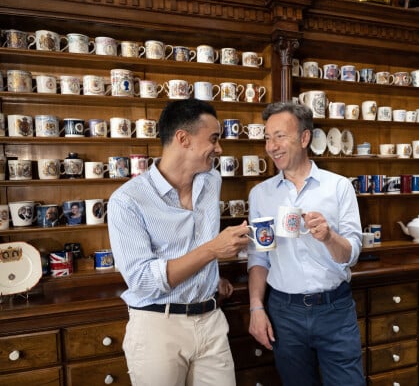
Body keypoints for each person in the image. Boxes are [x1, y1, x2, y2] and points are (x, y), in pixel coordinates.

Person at [108, 99, 250, 386]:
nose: (219, 148)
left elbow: (189, 244)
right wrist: (213, 250)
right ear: (183, 139)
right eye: (213, 139)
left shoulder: (211, 180)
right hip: (158, 326)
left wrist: (211, 277)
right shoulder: (127, 201)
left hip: (210, 319)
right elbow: (143, 281)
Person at [247, 102, 364, 386]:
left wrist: (328, 237)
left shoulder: (338, 187)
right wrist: (256, 308)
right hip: (285, 313)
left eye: (279, 136)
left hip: (334, 309)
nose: (272, 146)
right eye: (267, 138)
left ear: (304, 138)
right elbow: (259, 257)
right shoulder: (260, 195)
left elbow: (352, 254)